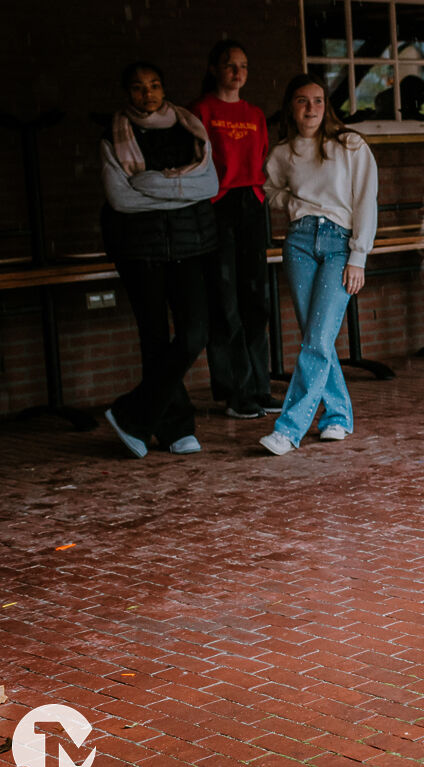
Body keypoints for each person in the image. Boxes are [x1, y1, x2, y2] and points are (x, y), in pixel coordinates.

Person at [100, 61, 219, 458]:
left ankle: (132, 412)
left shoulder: (189, 128)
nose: (146, 94)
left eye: (153, 85)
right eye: (137, 88)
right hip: (138, 250)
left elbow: (209, 184)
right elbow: (121, 198)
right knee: (153, 339)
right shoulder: (115, 133)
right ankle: (175, 427)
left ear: (164, 89)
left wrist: (150, 184)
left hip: (189, 247)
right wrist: (176, 187)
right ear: (126, 93)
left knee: (194, 333)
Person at [259, 75, 378, 455]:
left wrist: (359, 256)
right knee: (317, 337)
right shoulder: (283, 152)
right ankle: (338, 416)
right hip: (297, 243)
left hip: (339, 244)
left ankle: (289, 429)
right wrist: (293, 204)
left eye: (318, 101)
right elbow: (270, 189)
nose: (310, 108)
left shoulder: (350, 145)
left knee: (317, 338)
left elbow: (366, 201)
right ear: (290, 107)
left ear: (326, 106)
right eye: (301, 101)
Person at [190, 39, 280, 420]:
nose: (237, 72)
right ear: (214, 69)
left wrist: (257, 195)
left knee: (256, 299)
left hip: (250, 204)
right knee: (225, 301)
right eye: (230, 65)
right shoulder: (201, 110)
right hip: (217, 205)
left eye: (243, 66)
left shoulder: (255, 113)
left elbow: (260, 158)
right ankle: (234, 390)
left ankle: (260, 386)